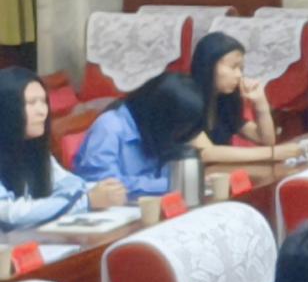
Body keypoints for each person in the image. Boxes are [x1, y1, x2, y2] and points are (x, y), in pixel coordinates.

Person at [0, 67, 124, 232]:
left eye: (43, 101)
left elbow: (70, 183)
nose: (42, 112)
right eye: (31, 103)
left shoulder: (32, 149)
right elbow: (12, 215)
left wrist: (102, 189)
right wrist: (86, 201)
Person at [72, 73, 207, 200]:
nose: (178, 135)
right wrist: (172, 184)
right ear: (162, 117)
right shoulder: (109, 127)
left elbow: (169, 172)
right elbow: (105, 186)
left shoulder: (155, 130)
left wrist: (192, 180)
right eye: (178, 128)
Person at [185, 33, 301, 166]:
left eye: (241, 69)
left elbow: (266, 140)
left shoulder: (224, 100)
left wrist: (261, 104)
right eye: (233, 67)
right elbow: (207, 153)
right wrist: (272, 153)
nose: (239, 75)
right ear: (208, 65)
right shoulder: (185, 100)